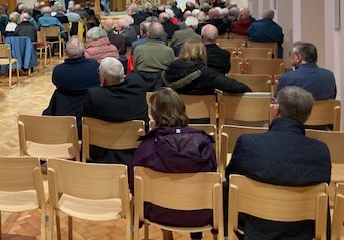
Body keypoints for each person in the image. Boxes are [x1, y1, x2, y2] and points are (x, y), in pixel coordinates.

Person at [226, 86, 331, 239]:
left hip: (253, 226)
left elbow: (230, 178)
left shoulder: (248, 142)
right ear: (306, 117)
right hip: (300, 230)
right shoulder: (320, 151)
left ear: (275, 109)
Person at [131, 88, 217, 240]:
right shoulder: (204, 143)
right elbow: (211, 179)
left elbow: (134, 184)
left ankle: (167, 235)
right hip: (200, 213)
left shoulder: (148, 145)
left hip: (160, 213)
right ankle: (196, 234)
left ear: (154, 114)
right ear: (182, 109)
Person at [81, 57, 149, 166]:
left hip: (101, 154)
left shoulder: (95, 96)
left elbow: (84, 123)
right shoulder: (138, 87)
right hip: (134, 152)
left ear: (103, 79)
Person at [163, 41, 251, 95]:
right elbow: (235, 87)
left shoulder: (169, 70)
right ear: (202, 53)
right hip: (202, 116)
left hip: (175, 114)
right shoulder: (205, 73)